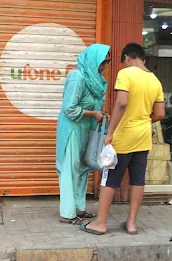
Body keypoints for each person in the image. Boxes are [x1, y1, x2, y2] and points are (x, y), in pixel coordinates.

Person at [80, 43, 165, 235]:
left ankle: (100, 223)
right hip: (143, 137)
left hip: (124, 136)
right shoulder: (155, 80)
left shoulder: (126, 74)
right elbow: (159, 114)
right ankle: (131, 223)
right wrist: (143, 121)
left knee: (110, 179)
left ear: (126, 57)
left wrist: (110, 133)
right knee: (137, 180)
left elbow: (121, 103)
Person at [56, 44, 111, 225]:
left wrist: (103, 113)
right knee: (70, 170)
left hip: (86, 129)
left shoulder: (97, 80)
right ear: (93, 60)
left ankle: (78, 208)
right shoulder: (77, 77)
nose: (104, 67)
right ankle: (67, 213)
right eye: (102, 62)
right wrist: (92, 114)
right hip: (72, 129)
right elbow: (69, 108)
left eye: (107, 63)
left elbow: (98, 103)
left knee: (82, 170)